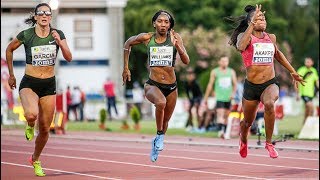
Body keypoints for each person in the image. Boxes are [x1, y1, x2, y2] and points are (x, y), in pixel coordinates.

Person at [226, 4, 304, 158]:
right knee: (247, 122)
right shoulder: (244, 37)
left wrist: (293, 71)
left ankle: (268, 143)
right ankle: (243, 139)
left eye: (263, 17)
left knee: (269, 103)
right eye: (258, 18)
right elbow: (241, 47)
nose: (262, 19)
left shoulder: (271, 37)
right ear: (251, 21)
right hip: (251, 87)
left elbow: (278, 54)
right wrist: (251, 25)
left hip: (269, 83)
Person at [5, 3, 72, 176]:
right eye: (40, 13)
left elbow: (69, 57)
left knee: (45, 128)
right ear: (35, 17)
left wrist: (60, 43)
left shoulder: (58, 34)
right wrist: (11, 75)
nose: (44, 15)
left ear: (50, 17)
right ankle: (29, 124)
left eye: (47, 13)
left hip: (49, 85)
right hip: (29, 83)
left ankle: (35, 159)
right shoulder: (26, 35)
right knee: (31, 114)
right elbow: (9, 49)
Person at [122, 10, 190, 162]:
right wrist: (125, 67)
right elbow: (128, 43)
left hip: (172, 86)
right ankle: (159, 136)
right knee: (160, 103)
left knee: (165, 121)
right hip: (153, 84)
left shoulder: (175, 38)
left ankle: (157, 141)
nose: (163, 24)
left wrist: (177, 46)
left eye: (166, 22)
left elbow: (186, 60)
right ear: (154, 23)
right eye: (160, 21)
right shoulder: (147, 38)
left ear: (170, 25)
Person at [203, 56, 237, 139]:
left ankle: (224, 132)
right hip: (219, 97)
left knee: (226, 116)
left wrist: (233, 94)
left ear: (228, 62)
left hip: (228, 97)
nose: (224, 63)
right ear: (219, 62)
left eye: (226, 61)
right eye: (223, 61)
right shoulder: (215, 72)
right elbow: (210, 84)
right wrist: (206, 97)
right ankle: (221, 131)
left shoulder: (231, 72)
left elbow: (235, 84)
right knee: (220, 114)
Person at [296, 57, 319, 124]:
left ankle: (305, 123)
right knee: (310, 106)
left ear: (312, 62)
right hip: (303, 93)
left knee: (308, 110)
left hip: (311, 94)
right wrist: (298, 93)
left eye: (308, 62)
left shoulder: (313, 70)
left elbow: (317, 81)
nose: (307, 63)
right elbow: (297, 82)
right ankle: (307, 124)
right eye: (306, 62)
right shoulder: (301, 70)